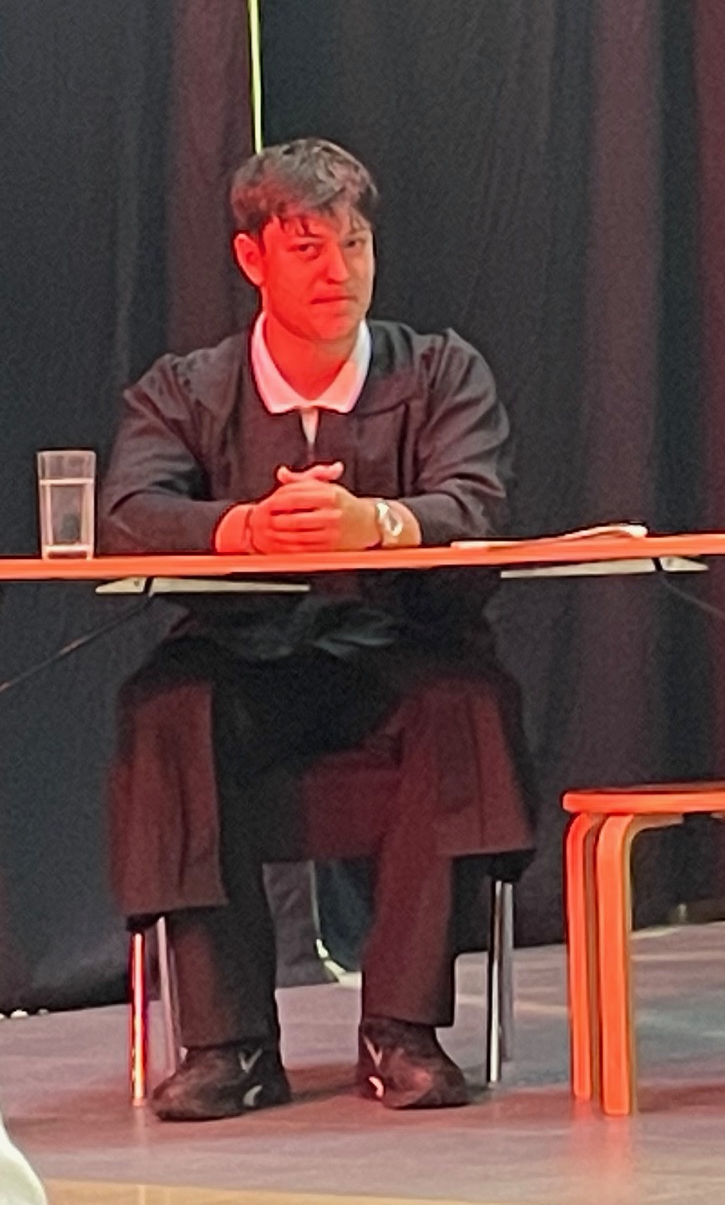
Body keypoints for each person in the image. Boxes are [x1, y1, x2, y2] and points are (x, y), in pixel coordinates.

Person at [100, 138, 533, 1120]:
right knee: (167, 705)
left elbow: (476, 500)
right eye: (308, 249)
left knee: (466, 703)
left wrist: (376, 522)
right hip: (247, 653)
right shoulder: (188, 389)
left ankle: (403, 1034)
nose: (339, 271)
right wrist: (244, 529)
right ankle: (229, 1045)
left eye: (355, 243)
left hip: (401, 647)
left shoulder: (440, 371)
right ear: (252, 259)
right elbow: (127, 510)